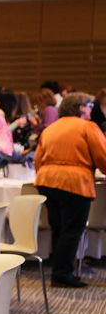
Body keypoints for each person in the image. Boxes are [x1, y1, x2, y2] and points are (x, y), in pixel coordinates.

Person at [34, 93, 106, 288]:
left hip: (47, 181)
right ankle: (62, 274)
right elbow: (103, 157)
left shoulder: (50, 129)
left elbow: (38, 160)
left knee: (59, 228)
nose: (91, 109)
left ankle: (59, 272)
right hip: (74, 182)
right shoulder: (87, 127)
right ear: (80, 107)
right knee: (72, 230)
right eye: (89, 105)